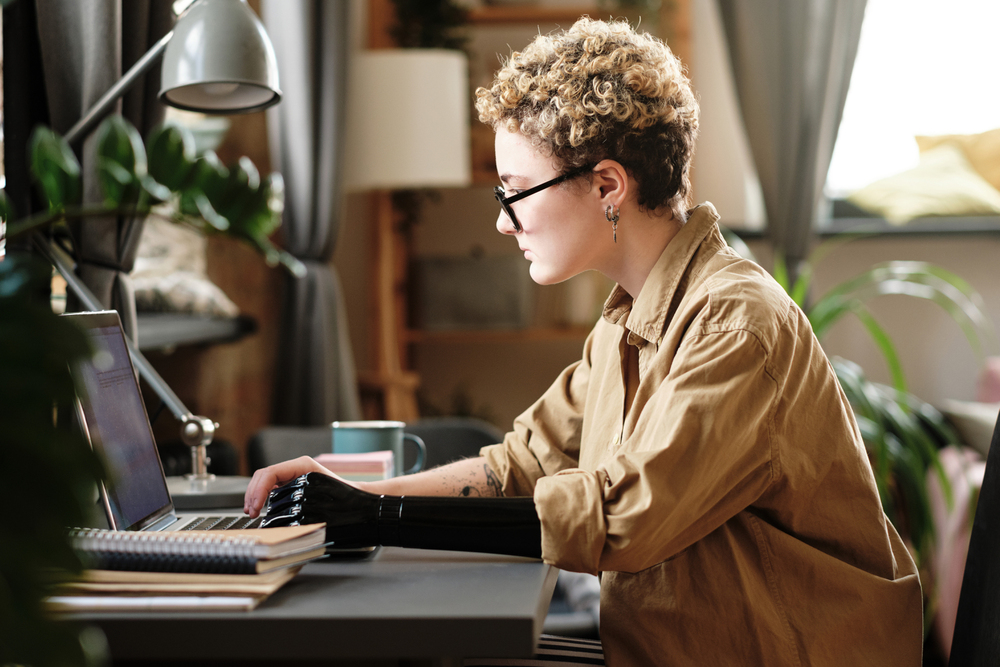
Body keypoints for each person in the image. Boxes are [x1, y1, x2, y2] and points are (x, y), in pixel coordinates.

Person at [245, 17, 923, 666]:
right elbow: (520, 466)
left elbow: (623, 516)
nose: (505, 224)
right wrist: (346, 492)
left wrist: (374, 516)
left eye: (515, 190)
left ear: (607, 186)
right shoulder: (626, 323)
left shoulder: (735, 322)